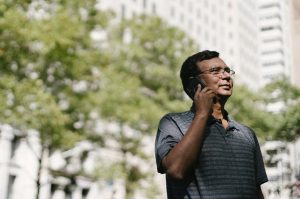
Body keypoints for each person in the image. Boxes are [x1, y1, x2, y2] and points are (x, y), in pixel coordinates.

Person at [155, 50, 268, 199]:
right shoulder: (172, 123)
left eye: (227, 71)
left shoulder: (247, 134)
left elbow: (256, 191)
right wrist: (202, 114)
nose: (227, 76)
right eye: (215, 71)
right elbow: (176, 170)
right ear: (195, 83)